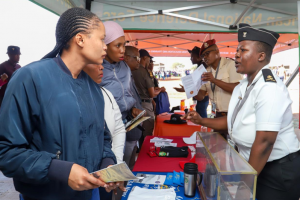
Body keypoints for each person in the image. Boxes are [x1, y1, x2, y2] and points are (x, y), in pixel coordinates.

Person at [0, 8, 122, 200]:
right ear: (80, 39)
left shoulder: (94, 89)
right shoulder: (30, 78)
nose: (105, 45)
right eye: (101, 39)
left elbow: (103, 138)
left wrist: (107, 164)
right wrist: (60, 170)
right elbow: (7, 153)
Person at [183, 23, 300, 200]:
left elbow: (266, 141)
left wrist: (245, 185)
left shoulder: (269, 87)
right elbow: (231, 121)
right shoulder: (243, 85)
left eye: (243, 50)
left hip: (276, 171)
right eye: (237, 50)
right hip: (253, 166)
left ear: (261, 56)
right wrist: (201, 120)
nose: (236, 55)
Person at [195, 39, 243, 138]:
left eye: (207, 53)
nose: (205, 58)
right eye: (203, 56)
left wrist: (214, 80)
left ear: (217, 51)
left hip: (232, 115)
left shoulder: (230, 65)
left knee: (232, 149)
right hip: (216, 115)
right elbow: (200, 97)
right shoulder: (206, 71)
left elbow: (238, 89)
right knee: (218, 148)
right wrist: (191, 89)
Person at [99, 21, 143, 124]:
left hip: (124, 122)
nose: (123, 50)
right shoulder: (95, 68)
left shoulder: (125, 67)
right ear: (105, 45)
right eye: (117, 46)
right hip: (104, 125)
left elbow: (128, 93)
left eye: (124, 45)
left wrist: (133, 108)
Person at [83, 64, 126, 165]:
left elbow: (119, 129)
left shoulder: (106, 94)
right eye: (95, 63)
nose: (102, 67)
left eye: (101, 63)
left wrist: (117, 162)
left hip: (107, 168)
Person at [132, 49, 161, 144]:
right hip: (145, 105)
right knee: (148, 133)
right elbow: (152, 94)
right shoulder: (145, 72)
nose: (150, 61)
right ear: (145, 58)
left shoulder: (132, 70)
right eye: (149, 59)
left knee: (139, 131)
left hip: (135, 104)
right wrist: (161, 90)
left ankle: (140, 153)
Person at [123, 46, 144, 169]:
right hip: (127, 130)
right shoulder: (121, 78)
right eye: (136, 58)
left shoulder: (129, 75)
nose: (139, 61)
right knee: (125, 167)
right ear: (126, 58)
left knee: (131, 164)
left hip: (134, 129)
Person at [174, 46, 209, 118]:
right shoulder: (199, 68)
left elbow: (200, 89)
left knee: (201, 117)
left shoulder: (202, 70)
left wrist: (187, 88)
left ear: (199, 57)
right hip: (200, 96)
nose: (190, 59)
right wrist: (186, 88)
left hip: (201, 97)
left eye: (192, 57)